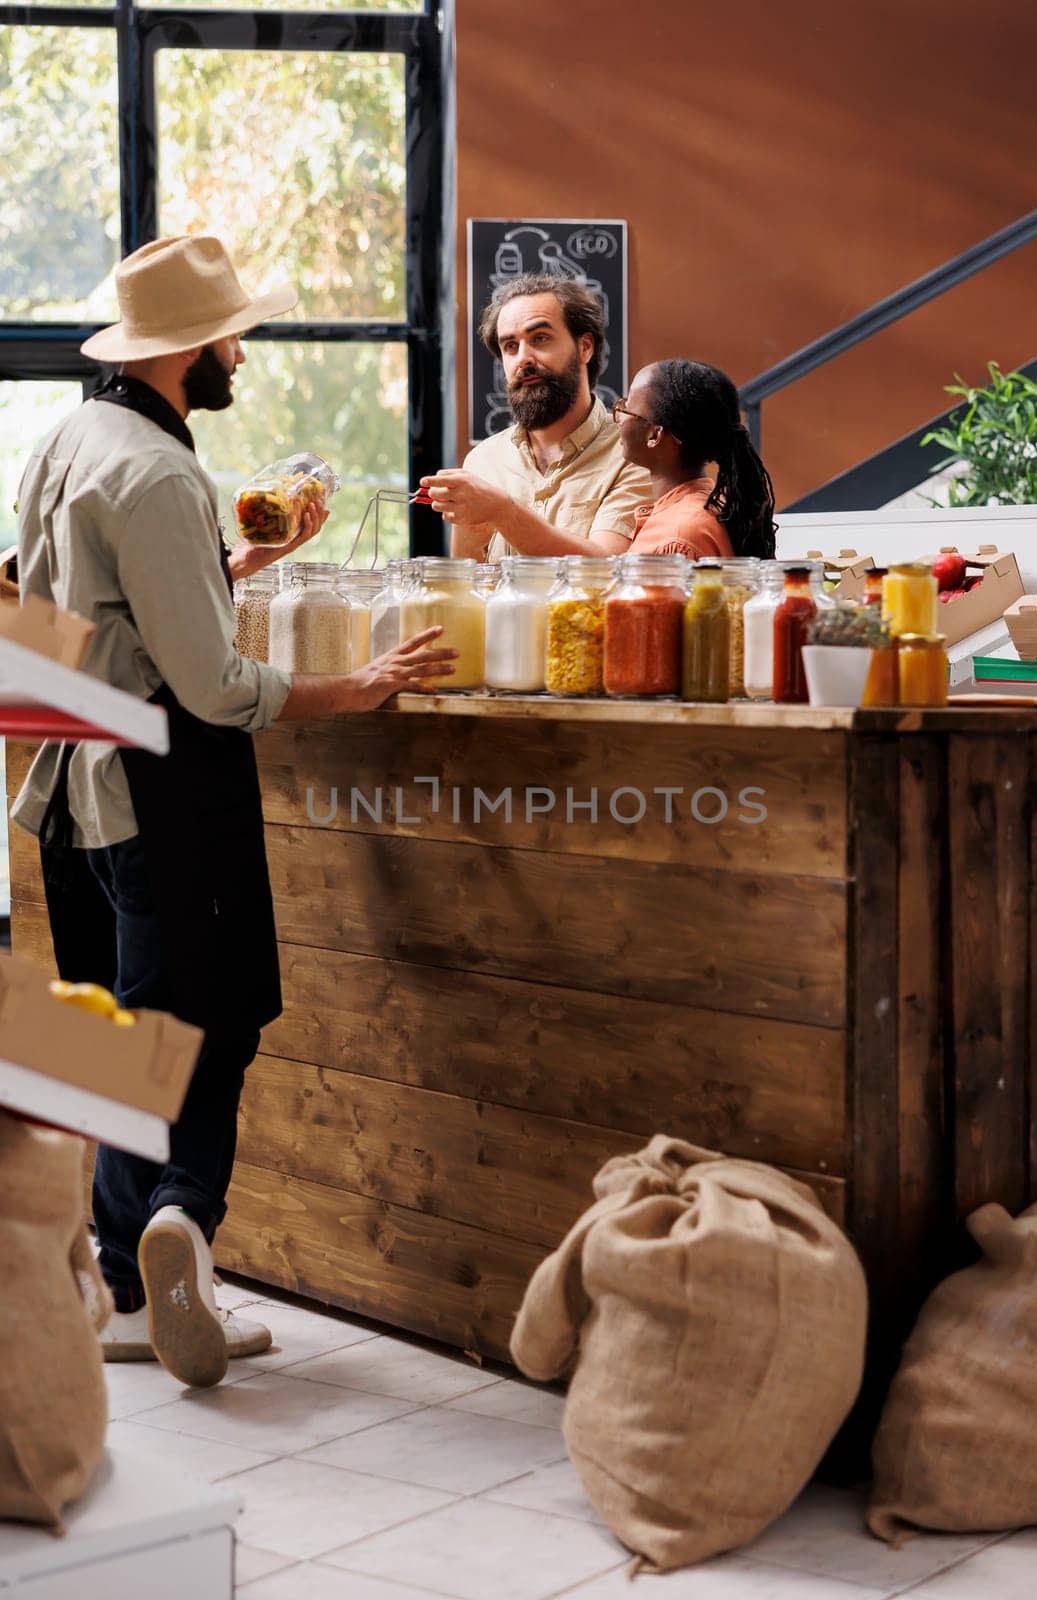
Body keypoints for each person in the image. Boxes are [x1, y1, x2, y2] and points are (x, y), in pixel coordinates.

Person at [12, 235, 456, 1389]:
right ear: (184, 350)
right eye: (230, 338)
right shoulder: (160, 471)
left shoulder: (67, 442)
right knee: (217, 1017)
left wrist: (242, 565)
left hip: (63, 783)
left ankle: (118, 1285)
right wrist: (352, 688)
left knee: (109, 1036)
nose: (241, 358)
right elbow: (209, 684)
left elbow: (82, 612)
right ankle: (181, 1219)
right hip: (158, 791)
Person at [420, 273, 651, 559]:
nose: (523, 359)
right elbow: (472, 585)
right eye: (510, 346)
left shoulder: (633, 454)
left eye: (540, 339)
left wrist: (503, 512)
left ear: (585, 347)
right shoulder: (483, 461)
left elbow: (606, 570)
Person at [614, 359, 777, 561]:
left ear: (654, 435)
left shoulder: (678, 540)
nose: (619, 419)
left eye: (626, 409)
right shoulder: (706, 505)